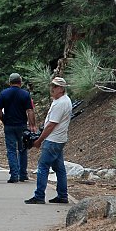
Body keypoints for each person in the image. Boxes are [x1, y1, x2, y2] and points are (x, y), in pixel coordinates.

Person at [25, 77, 73, 205]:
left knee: (43, 166)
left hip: (53, 139)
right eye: (52, 86)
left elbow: (51, 125)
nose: (52, 88)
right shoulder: (64, 101)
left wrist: (39, 140)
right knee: (59, 167)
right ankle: (62, 195)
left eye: (56, 86)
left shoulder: (60, 103)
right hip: (60, 138)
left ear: (62, 89)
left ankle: (39, 195)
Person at [0, 72, 37, 183]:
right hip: (22, 125)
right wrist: (32, 125)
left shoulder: (4, 93)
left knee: (11, 150)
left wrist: (4, 120)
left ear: (10, 82)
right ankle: (22, 174)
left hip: (9, 125)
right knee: (22, 149)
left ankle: (14, 174)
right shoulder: (25, 94)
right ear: (20, 82)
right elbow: (29, 110)